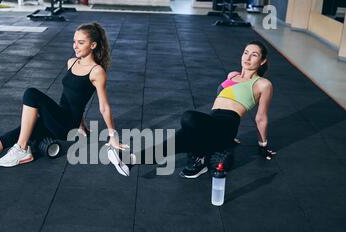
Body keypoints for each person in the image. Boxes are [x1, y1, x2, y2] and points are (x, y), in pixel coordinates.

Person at [0, 22, 128, 169]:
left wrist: (112, 136)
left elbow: (104, 107)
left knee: (31, 94)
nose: (75, 46)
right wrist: (83, 126)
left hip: (64, 125)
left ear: (93, 45)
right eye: (74, 41)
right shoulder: (71, 62)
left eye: (81, 42)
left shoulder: (97, 72)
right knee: (10, 135)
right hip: (57, 117)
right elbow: (72, 97)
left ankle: (21, 149)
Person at [108, 40, 276, 177]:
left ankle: (201, 154)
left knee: (188, 118)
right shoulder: (232, 75)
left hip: (227, 124)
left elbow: (261, 117)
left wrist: (263, 145)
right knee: (179, 139)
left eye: (254, 55)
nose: (247, 57)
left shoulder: (262, 84)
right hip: (212, 122)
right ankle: (131, 160)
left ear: (262, 61)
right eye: (246, 52)